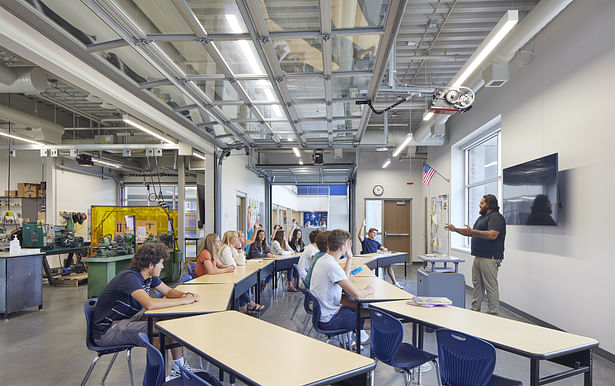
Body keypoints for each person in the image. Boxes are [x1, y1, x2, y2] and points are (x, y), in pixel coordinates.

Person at [91, 242, 200, 378]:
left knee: (169, 321)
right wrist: (184, 301)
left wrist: (187, 295)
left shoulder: (149, 277)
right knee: (162, 331)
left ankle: (179, 367)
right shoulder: (130, 278)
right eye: (160, 263)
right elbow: (149, 304)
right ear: (150, 265)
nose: (162, 266)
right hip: (107, 331)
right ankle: (162, 378)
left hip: (124, 321)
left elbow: (169, 291)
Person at [444, 194, 506, 314]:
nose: (479, 204)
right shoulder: (482, 218)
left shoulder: (496, 217)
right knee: (477, 284)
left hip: (490, 257)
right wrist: (455, 229)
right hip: (479, 256)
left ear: (489, 205)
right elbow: (472, 233)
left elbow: (492, 235)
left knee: (490, 285)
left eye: (482, 203)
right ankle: (475, 309)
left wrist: (472, 231)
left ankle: (493, 311)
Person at [310, 230, 374, 341]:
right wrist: (368, 290)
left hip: (326, 314)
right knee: (377, 321)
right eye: (347, 245)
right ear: (341, 247)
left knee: (362, 309)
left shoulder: (324, 259)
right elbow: (357, 295)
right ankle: (376, 349)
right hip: (329, 319)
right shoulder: (331, 265)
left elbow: (344, 276)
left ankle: (360, 339)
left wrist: (349, 257)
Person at [218, 230, 264, 313]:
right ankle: (249, 304)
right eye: (236, 237)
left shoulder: (232, 248)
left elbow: (241, 262)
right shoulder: (226, 249)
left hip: (230, 275)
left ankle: (247, 305)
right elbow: (233, 265)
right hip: (224, 279)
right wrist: (236, 260)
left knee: (244, 283)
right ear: (230, 239)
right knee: (241, 285)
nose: (238, 239)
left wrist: (239, 249)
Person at [357, 219, 403, 288]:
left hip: (375, 259)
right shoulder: (365, 240)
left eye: (375, 233)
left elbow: (383, 248)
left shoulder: (376, 242)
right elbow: (359, 235)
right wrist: (363, 225)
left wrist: (384, 249)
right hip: (367, 260)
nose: (374, 234)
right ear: (369, 233)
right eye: (373, 233)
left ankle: (395, 282)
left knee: (388, 265)